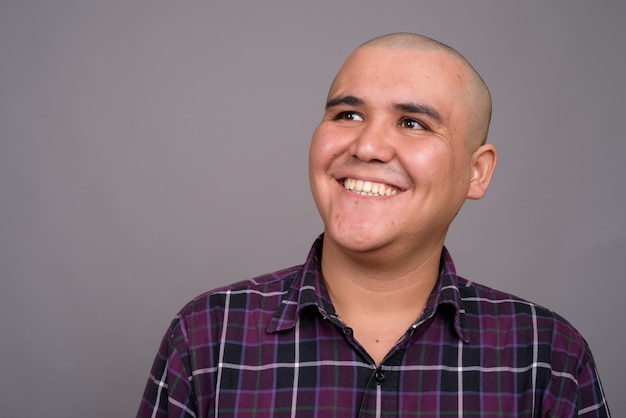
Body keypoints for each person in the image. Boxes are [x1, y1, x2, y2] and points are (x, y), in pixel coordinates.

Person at [137, 33, 610, 417]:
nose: (366, 147)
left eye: (412, 123)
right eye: (348, 114)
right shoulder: (207, 337)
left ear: (476, 171)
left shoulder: (548, 357)